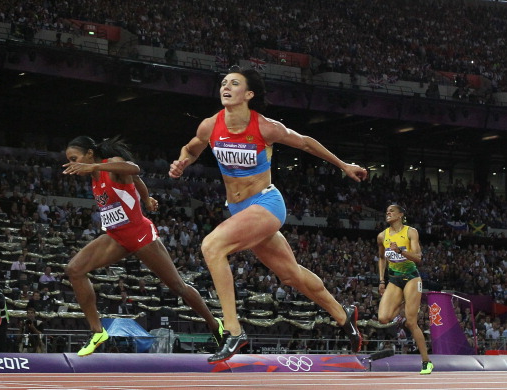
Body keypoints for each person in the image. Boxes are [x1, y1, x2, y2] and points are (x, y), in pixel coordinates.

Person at [169, 66, 366, 364]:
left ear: (248, 94)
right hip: (238, 209)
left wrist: (343, 165)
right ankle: (343, 315)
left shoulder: (265, 127)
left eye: (234, 83)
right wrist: (182, 162)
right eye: (224, 82)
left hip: (266, 204)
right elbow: (192, 148)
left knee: (212, 246)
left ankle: (233, 331)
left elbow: (305, 142)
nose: (226, 86)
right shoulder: (210, 126)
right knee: (290, 275)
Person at [63, 135, 223, 357]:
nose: (72, 165)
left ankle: (215, 325)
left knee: (177, 286)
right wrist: (146, 199)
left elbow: (134, 169)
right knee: (74, 269)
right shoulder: (95, 175)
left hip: (140, 235)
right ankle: (97, 332)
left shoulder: (110, 165)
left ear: (89, 154)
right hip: (116, 236)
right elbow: (136, 182)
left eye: (74, 158)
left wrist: (93, 166)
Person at [377, 204, 433, 375]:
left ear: (400, 214)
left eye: (392, 211)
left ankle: (426, 362)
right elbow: (381, 258)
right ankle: (403, 301)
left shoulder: (410, 232)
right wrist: (381, 280)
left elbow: (418, 258)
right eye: (386, 211)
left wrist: (400, 251)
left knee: (410, 322)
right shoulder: (382, 236)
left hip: (412, 278)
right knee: (383, 318)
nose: (388, 213)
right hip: (394, 279)